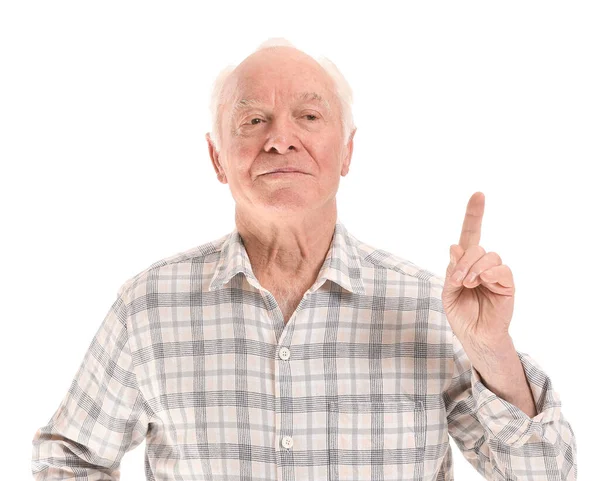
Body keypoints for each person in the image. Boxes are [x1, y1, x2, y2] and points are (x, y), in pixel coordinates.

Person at [31, 37, 577, 481]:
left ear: (347, 152)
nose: (281, 140)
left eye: (309, 117)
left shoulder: (426, 306)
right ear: (217, 157)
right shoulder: (146, 308)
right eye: (253, 121)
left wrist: (491, 352)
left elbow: (548, 475)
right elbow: (70, 458)